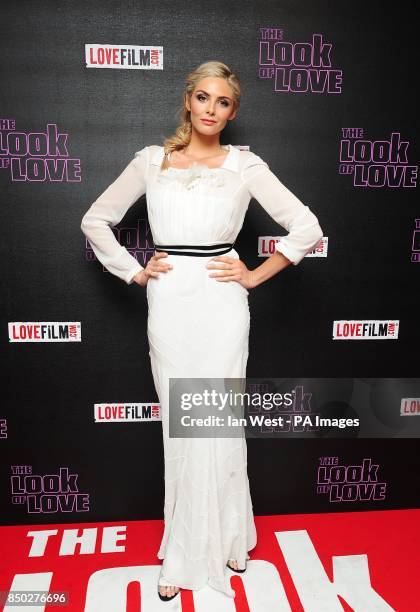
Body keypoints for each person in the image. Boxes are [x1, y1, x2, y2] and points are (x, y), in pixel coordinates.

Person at [80, 60, 323, 602]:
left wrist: (255, 274)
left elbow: (307, 226)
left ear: (233, 112)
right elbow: (95, 220)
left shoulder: (244, 165)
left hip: (222, 300)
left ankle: (231, 537)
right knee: (181, 427)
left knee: (217, 422)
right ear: (188, 101)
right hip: (170, 303)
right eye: (204, 99)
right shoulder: (152, 161)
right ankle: (186, 549)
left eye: (224, 103)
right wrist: (135, 269)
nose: (212, 110)